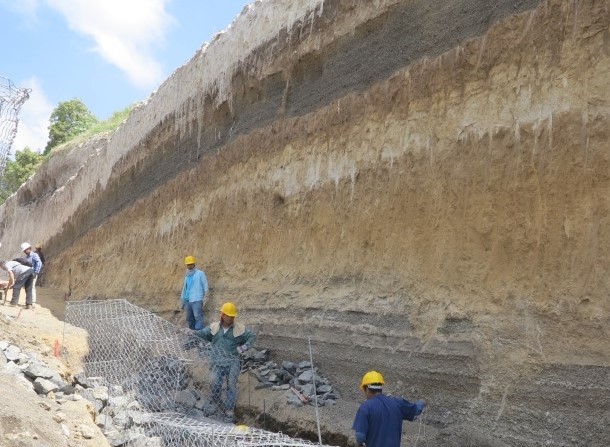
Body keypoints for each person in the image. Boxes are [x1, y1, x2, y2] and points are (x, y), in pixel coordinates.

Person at [192, 302, 256, 419]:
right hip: (216, 361)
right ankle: (216, 403)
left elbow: (252, 336)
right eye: (228, 315)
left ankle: (229, 409)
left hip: (233, 362)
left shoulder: (240, 329)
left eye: (232, 316)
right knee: (215, 383)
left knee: (231, 385)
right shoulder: (214, 327)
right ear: (222, 315)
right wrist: (192, 333)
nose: (230, 318)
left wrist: (244, 347)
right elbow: (202, 333)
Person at [352, 371, 427, 447]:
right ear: (380, 387)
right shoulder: (398, 403)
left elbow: (360, 436)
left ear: (366, 389)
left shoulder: (365, 407)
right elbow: (417, 410)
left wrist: (360, 444)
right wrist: (422, 402)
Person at [180, 255, 209, 330]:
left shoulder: (200, 273)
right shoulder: (186, 275)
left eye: (191, 264)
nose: (189, 266)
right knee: (189, 318)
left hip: (196, 299)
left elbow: (205, 284)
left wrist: (206, 296)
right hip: (187, 300)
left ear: (194, 264)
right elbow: (185, 288)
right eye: (188, 264)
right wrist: (182, 300)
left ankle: (198, 334)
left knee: (197, 316)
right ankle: (192, 333)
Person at [21, 242, 42, 307]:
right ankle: (29, 302)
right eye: (24, 251)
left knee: (32, 287)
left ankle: (33, 302)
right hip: (28, 274)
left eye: (25, 250)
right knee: (27, 287)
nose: (24, 252)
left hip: (33, 273)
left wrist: (36, 272)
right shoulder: (27, 257)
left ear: (28, 249)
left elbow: (39, 263)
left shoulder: (34, 255)